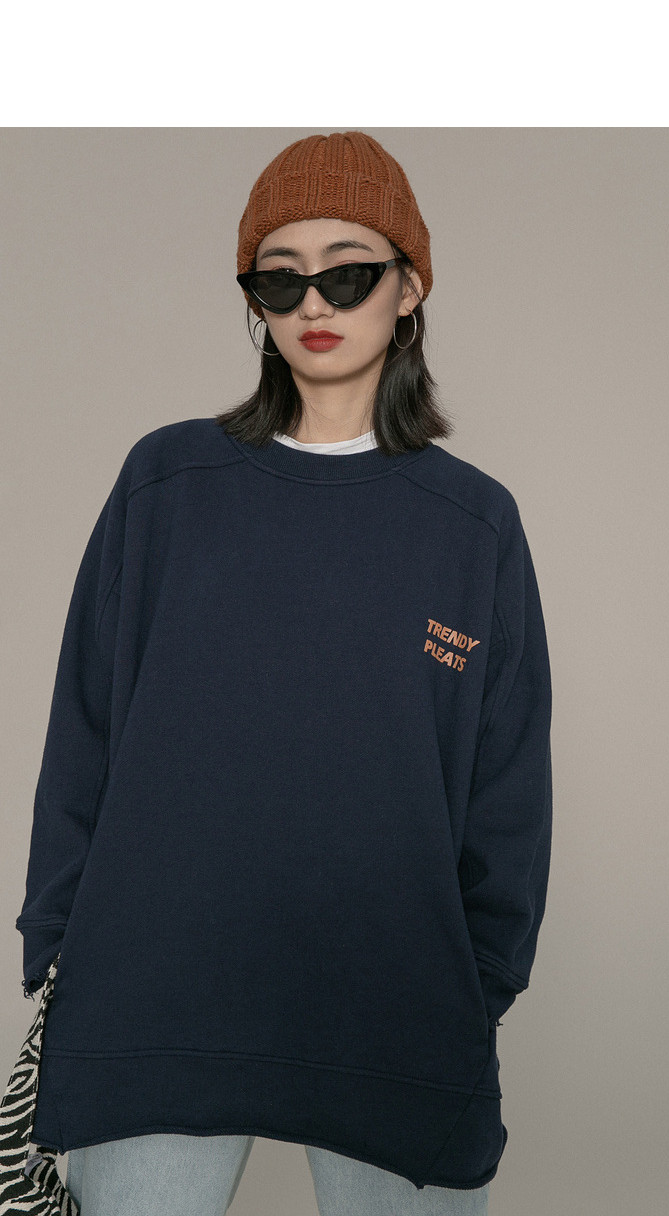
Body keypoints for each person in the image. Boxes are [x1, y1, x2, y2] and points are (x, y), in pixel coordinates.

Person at [15, 131, 553, 1216]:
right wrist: (59, 945)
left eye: (348, 272)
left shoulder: (473, 525)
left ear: (409, 286)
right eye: (280, 276)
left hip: (396, 1005)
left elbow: (507, 785)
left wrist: (477, 985)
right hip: (155, 994)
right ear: (255, 300)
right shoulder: (166, 483)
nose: (315, 302)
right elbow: (86, 726)